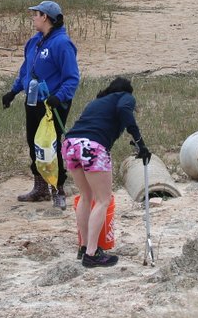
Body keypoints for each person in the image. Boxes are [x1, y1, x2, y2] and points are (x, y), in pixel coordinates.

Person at [61, 77, 150, 268]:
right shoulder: (125, 97)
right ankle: (92, 254)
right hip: (92, 146)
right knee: (103, 200)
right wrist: (140, 142)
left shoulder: (97, 102)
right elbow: (124, 111)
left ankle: (84, 248)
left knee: (85, 197)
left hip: (70, 144)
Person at [2, 1, 79, 209]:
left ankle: (58, 189)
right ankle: (40, 187)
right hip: (33, 100)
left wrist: (59, 97)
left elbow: (72, 78)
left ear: (45, 17)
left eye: (35, 14)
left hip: (53, 104)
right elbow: (26, 70)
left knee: (50, 145)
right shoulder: (34, 41)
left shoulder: (62, 44)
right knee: (33, 143)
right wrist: (13, 91)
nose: (33, 18)